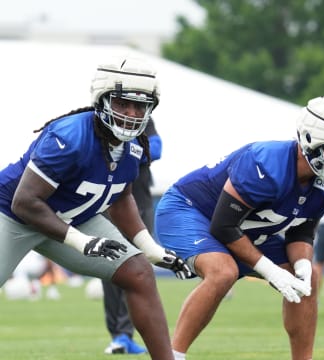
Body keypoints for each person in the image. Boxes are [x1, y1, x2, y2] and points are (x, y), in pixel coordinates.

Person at [0, 55, 191, 360]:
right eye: (123, 104)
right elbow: (25, 202)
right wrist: (81, 241)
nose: (132, 113)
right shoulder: (70, 135)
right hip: (13, 215)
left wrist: (149, 248)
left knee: (139, 272)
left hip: (72, 218)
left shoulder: (135, 145)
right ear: (102, 101)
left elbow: (121, 197)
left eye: (140, 106)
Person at [154, 96, 324, 360]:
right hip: (190, 210)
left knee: (307, 280)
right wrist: (270, 270)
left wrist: (303, 265)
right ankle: (172, 355)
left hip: (243, 229)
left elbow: (301, 231)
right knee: (223, 271)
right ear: (311, 140)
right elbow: (224, 225)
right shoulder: (266, 163)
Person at [102, 115, 162, 354]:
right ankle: (118, 335)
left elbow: (156, 148)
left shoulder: (143, 119)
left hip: (140, 204)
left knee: (138, 266)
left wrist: (125, 149)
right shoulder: (103, 120)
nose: (129, 110)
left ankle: (125, 334)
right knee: (107, 267)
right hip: (107, 205)